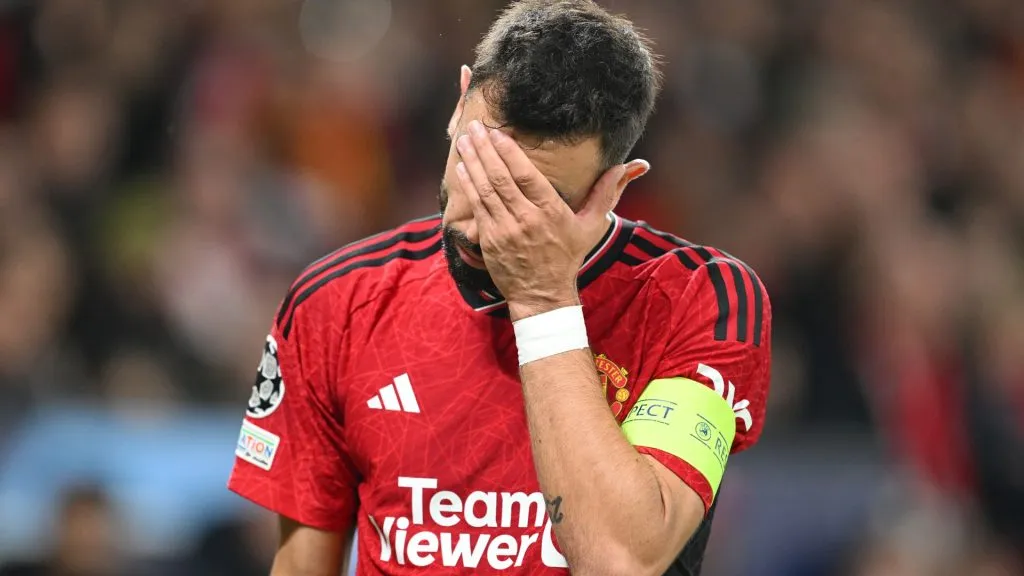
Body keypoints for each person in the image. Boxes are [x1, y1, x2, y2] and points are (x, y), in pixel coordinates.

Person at [228, 1, 771, 574]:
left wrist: (542, 300)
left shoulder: (700, 299)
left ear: (614, 187)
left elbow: (621, 561)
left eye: (533, 198)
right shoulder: (336, 303)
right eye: (480, 164)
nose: (485, 221)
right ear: (459, 103)